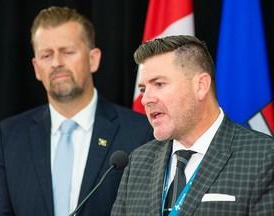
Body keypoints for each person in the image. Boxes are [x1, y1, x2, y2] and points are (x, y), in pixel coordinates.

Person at [0, 6, 154, 216]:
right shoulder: (8, 137)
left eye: (68, 52)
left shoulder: (140, 133)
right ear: (37, 68)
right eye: (47, 55)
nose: (57, 62)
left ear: (93, 59)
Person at [111, 35, 274, 216]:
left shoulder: (264, 157)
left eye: (159, 84)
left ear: (201, 85)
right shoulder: (138, 161)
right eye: (143, 89)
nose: (146, 99)